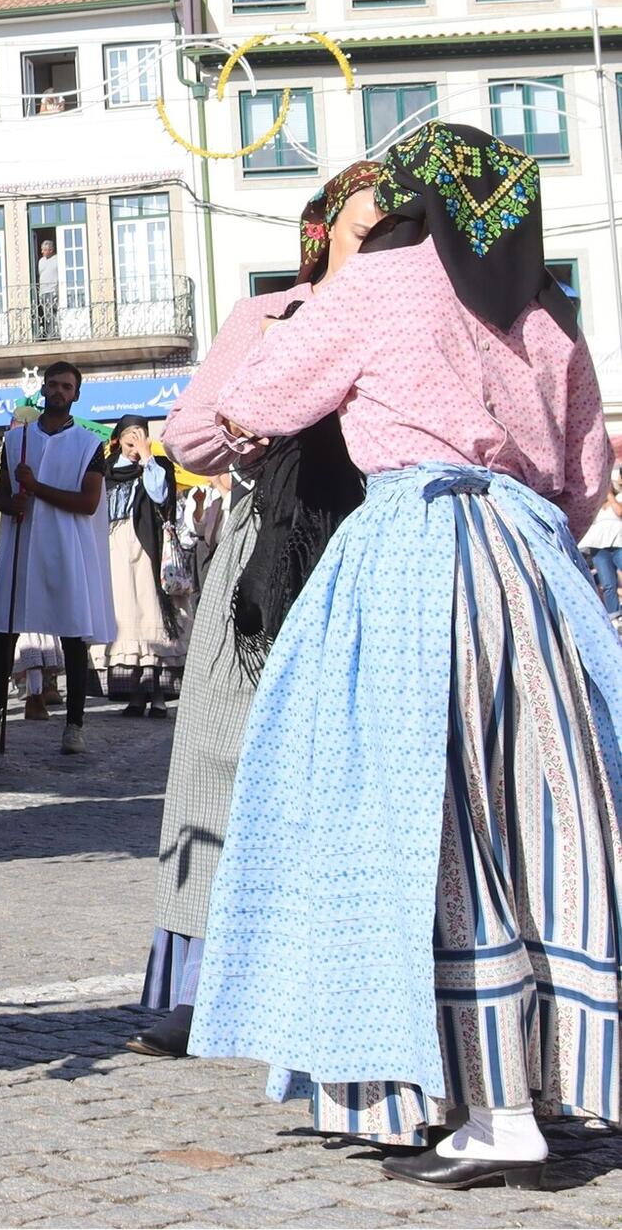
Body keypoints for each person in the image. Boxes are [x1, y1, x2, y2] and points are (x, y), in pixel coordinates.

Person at [190, 123, 616, 1191]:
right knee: (542, 820)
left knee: (413, 822)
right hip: (533, 565)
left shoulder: (381, 285)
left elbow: (250, 405)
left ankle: (483, 1106)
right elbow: (583, 479)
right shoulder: (547, 309)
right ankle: (547, 1077)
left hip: (412, 557)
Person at [127, 162, 380, 1062]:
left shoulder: (411, 314)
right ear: (325, 232)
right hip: (262, 540)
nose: (380, 240)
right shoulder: (269, 314)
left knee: (353, 763)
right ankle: (204, 987)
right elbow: (187, 434)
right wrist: (255, 415)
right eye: (364, 226)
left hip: (368, 540)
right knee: (218, 748)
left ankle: (347, 984)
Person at [0, 361, 113, 755]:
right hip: (22, 547)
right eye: (53, 385)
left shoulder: (89, 444)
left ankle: (74, 726)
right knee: (4, 633)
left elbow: (88, 502)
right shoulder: (17, 441)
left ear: (76, 394)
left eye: (67, 386)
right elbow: (0, 493)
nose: (59, 391)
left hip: (66, 548)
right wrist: (11, 502)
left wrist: (37, 487)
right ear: (43, 389)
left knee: (73, 637)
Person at [100, 416, 179, 717]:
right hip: (113, 550)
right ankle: (134, 693)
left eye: (140, 437)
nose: (134, 445)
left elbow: (160, 496)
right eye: (129, 439)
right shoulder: (106, 470)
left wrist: (147, 458)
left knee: (150, 614)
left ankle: (159, 695)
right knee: (126, 619)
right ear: (118, 440)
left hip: (147, 547)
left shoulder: (158, 467)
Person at [583, 472, 622, 621]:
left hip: (618, 544)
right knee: (608, 584)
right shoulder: (596, 505)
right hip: (599, 548)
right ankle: (614, 616)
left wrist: (609, 495)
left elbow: (619, 512)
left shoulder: (619, 498)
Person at [33, 238, 63, 341]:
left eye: (44, 250)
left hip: (53, 290)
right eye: (42, 249)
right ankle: (47, 334)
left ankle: (54, 335)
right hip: (43, 291)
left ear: (51, 250)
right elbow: (39, 275)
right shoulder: (41, 261)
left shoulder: (58, 259)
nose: (42, 252)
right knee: (46, 314)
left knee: (53, 313)